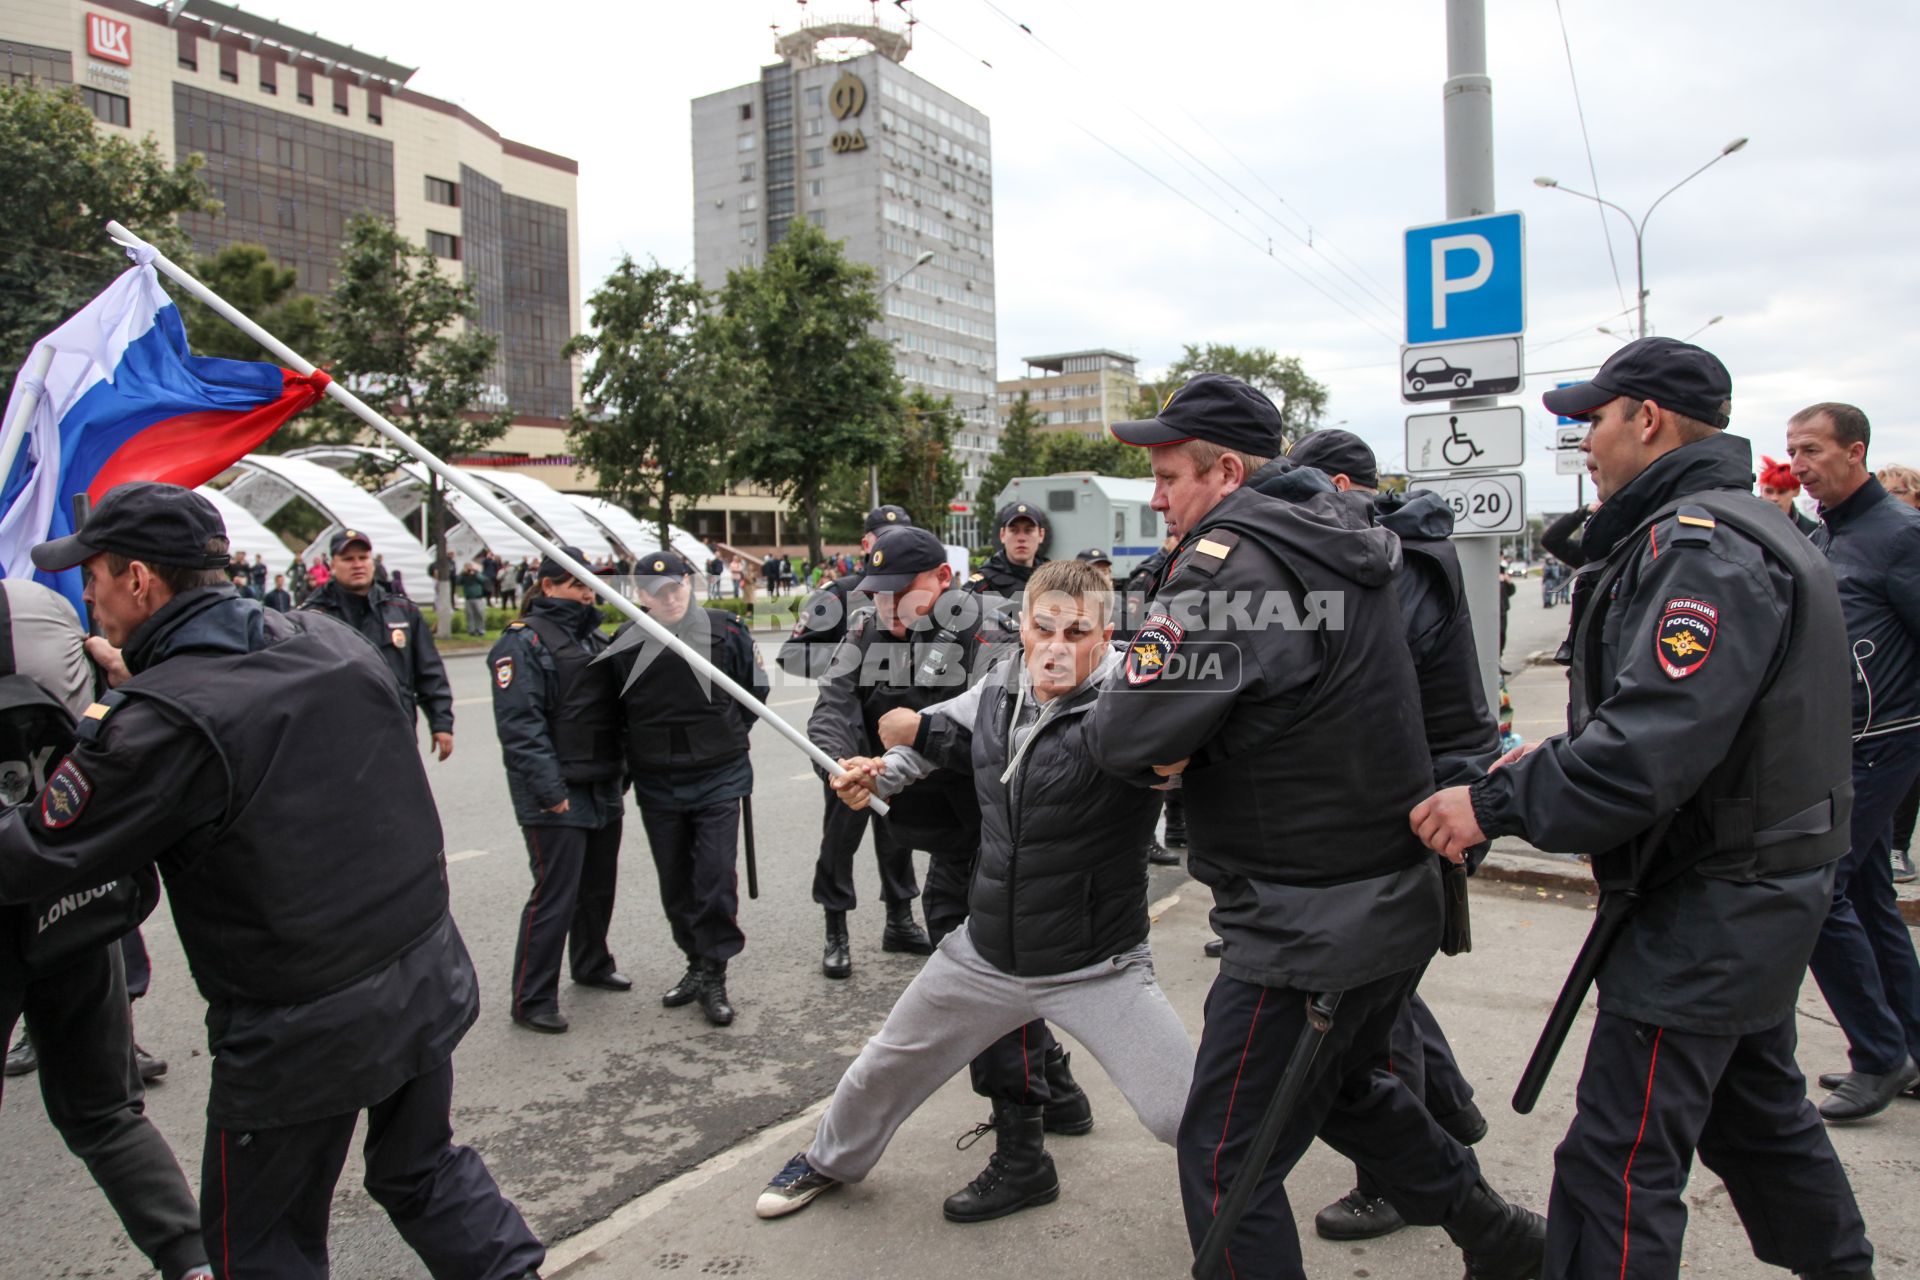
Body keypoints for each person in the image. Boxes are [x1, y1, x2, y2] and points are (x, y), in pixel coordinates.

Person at [0, 482, 544, 1279]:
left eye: (96, 575)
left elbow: (41, 850)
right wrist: (143, 684)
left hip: (299, 1033)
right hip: (422, 971)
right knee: (423, 1168)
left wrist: (124, 713)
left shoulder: (160, 722)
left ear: (142, 580)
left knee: (260, 1247)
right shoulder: (325, 639)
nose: (86, 593)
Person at [1415, 339, 1871, 1276]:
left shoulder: (1700, 548)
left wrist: (1492, 802)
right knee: (1756, 1120)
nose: (1585, 439)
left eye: (1595, 418)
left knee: (1616, 1160)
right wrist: (1572, 753)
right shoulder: (1756, 529)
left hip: (1710, 898)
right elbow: (1726, 721)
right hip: (1752, 883)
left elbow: (1645, 752)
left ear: (1647, 419)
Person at [1084, 374, 1544, 1280]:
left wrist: (1174, 741)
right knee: (1344, 1090)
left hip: (1304, 924)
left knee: (1225, 1155)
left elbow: (1124, 731)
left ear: (1226, 470)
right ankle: (1503, 1238)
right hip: (1383, 899)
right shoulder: (1348, 540)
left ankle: (1507, 1239)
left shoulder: (1234, 563)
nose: (1157, 496)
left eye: (1171, 474)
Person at [757, 560, 1191, 1223]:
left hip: (1097, 963)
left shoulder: (1139, 703)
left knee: (1186, 1113)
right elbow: (933, 741)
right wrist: (877, 773)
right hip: (984, 951)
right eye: (1042, 628)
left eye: (1076, 632)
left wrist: (1182, 765)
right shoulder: (1000, 684)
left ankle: (1249, 1208)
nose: (1055, 646)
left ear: (1106, 636)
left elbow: (1198, 758)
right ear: (1021, 627)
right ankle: (826, 1160)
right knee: (884, 1067)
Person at [1267, 429, 1503, 1246]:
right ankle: (1451, 1121)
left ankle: (1397, 1183)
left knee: (1375, 1029)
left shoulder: (1386, 565)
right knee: (1389, 1007)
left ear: (1340, 485)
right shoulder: (1405, 552)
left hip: (1414, 811)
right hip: (1427, 797)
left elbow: (1356, 695)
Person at [809, 524, 1096, 1147]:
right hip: (940, 828)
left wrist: (903, 751)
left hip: (1000, 828)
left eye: (899, 593)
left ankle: (1022, 1137)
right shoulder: (867, 628)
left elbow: (998, 737)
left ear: (943, 581)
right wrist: (844, 768)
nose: (886, 607)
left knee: (977, 972)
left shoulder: (990, 631)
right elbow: (831, 708)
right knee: (971, 961)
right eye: (876, 593)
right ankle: (1059, 1090)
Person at [0, 576, 208, 1280]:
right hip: (68, 893)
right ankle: (194, 1262)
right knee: (107, 1116)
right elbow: (101, 714)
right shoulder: (42, 608)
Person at [1786, 401, 1920, 1120]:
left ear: (1855, 451)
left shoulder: (1900, 534)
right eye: (1793, 451)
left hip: (1883, 742)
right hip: (1844, 741)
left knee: (1819, 890)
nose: (1800, 465)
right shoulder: (1835, 534)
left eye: (1811, 450)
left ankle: (1878, 1055)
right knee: (1867, 899)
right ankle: (1909, 1050)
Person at [607, 550, 767, 1027]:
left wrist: (721, 734)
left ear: (689, 585)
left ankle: (715, 973)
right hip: (658, 779)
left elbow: (754, 692)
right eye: (657, 593)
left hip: (719, 774)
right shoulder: (624, 642)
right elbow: (617, 714)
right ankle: (695, 963)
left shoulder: (726, 629)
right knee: (675, 882)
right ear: (640, 596)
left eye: (676, 588)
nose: (670, 597)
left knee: (714, 879)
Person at [488, 546, 629, 1035]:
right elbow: (521, 726)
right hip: (556, 791)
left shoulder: (595, 637)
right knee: (556, 895)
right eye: (574, 584)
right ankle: (532, 997)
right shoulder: (522, 643)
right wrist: (549, 791)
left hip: (601, 782)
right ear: (546, 586)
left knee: (597, 887)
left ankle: (592, 963)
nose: (586, 593)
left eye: (589, 584)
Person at [778, 505, 929, 961]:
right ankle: (835, 931)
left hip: (897, 739)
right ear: (866, 544)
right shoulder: (840, 594)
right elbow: (791, 655)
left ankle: (900, 920)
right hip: (849, 737)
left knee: (899, 834)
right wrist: (852, 665)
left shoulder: (927, 598)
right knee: (841, 838)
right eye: (882, 536)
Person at [300, 529, 455, 761]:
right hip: (336, 739)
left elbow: (429, 672)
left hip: (395, 732)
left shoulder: (403, 612)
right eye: (348, 559)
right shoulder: (311, 618)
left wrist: (441, 723)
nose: (357, 565)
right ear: (332, 565)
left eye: (363, 558)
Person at [970, 501, 1049, 599]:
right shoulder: (982, 585)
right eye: (1014, 530)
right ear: (1002, 535)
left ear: (1041, 535)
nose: (1021, 538)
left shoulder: (1053, 580)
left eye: (1028, 530)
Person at [1758, 454, 1821, 536]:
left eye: (1782, 491)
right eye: (1769, 491)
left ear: (1796, 491)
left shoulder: (1813, 532)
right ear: (1761, 490)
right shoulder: (1745, 523)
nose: (1774, 498)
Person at [458, 561, 489, 636]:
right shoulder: (463, 575)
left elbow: (483, 580)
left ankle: (480, 630)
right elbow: (458, 582)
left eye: (470, 566)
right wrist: (463, 574)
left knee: (480, 614)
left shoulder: (477, 573)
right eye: (467, 566)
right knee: (469, 615)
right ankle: (471, 630)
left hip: (478, 597)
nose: (469, 568)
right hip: (468, 598)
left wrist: (475, 573)